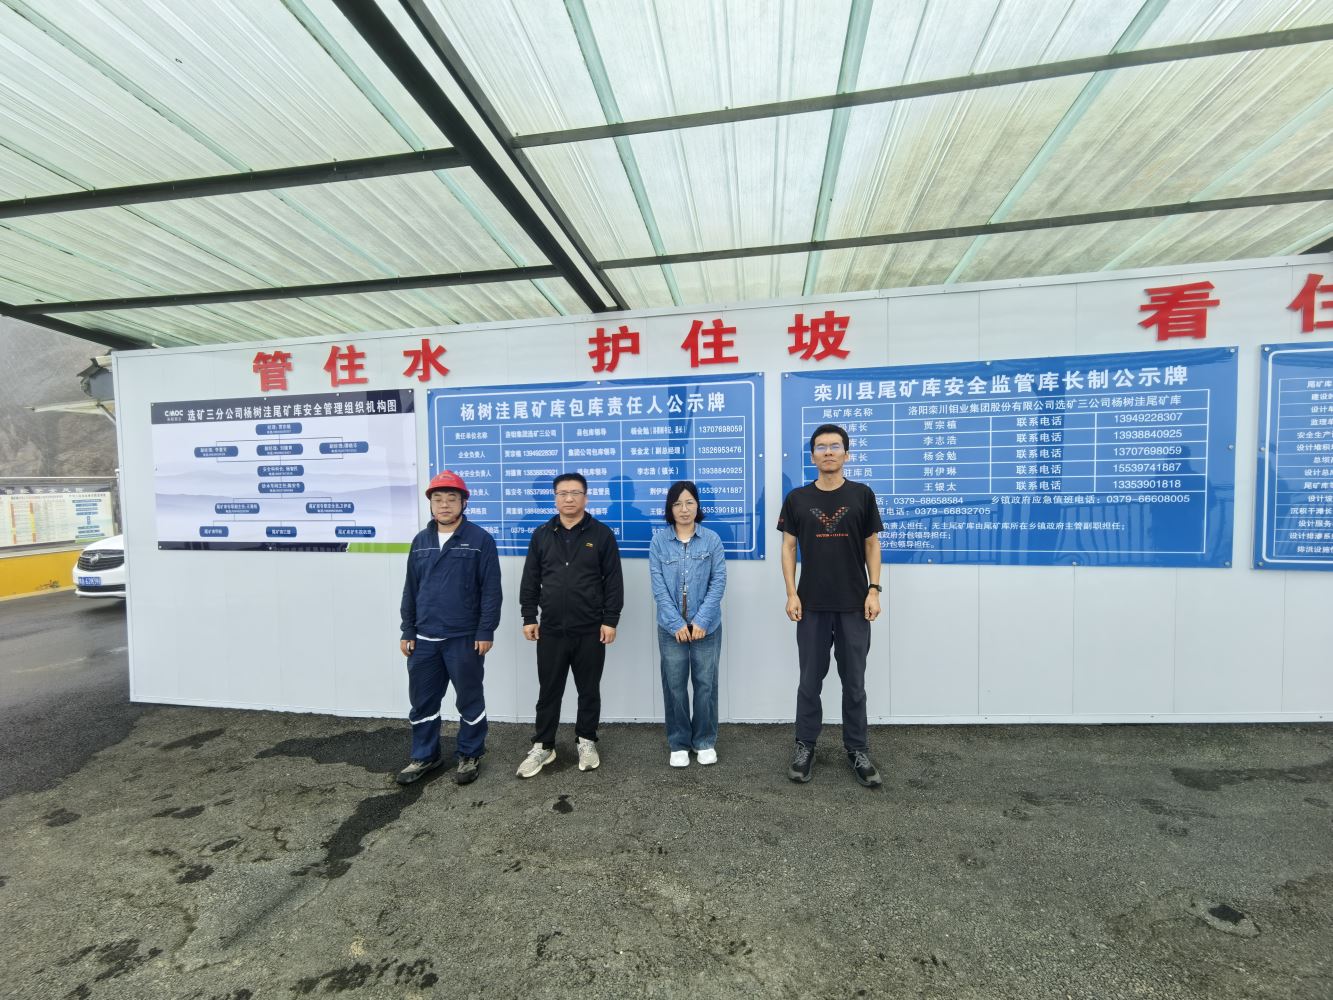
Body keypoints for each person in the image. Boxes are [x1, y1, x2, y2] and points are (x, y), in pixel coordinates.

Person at [777, 424, 885, 787]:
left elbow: (871, 544)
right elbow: (788, 547)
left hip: (854, 604)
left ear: (846, 454)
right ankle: (805, 746)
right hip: (811, 605)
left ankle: (857, 749)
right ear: (812, 456)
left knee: (854, 683)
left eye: (835, 446)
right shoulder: (797, 499)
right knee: (810, 681)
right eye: (821, 447)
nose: (828, 452)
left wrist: (874, 590)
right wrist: (791, 593)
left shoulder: (861, 495)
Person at [397, 471, 501, 786]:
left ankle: (470, 754)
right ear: (431, 504)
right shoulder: (421, 541)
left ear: (463, 503)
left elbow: (491, 590)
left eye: (451, 499)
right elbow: (411, 588)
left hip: (464, 638)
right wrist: (407, 629)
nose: (444, 505)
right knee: (423, 701)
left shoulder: (480, 539)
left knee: (469, 699)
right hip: (424, 639)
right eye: (438, 499)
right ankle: (425, 756)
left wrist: (485, 631)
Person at [516, 472, 624, 778]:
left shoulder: (601, 534)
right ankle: (543, 745)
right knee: (549, 690)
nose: (569, 498)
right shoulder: (541, 535)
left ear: (586, 498)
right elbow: (530, 579)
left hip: (590, 628)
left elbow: (613, 581)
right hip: (550, 629)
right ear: (555, 498)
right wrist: (529, 616)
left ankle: (586, 740)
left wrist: (610, 620)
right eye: (562, 493)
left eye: (575, 493)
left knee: (588, 690)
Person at [648, 480, 727, 767]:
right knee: (675, 686)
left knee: (706, 684)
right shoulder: (659, 542)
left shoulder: (712, 540)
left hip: (707, 627)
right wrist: (676, 623)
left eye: (689, 502)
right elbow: (658, 587)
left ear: (697, 506)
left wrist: (701, 620)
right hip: (671, 629)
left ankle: (704, 741)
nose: (684, 509)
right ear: (670, 508)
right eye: (678, 504)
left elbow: (718, 582)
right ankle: (679, 742)